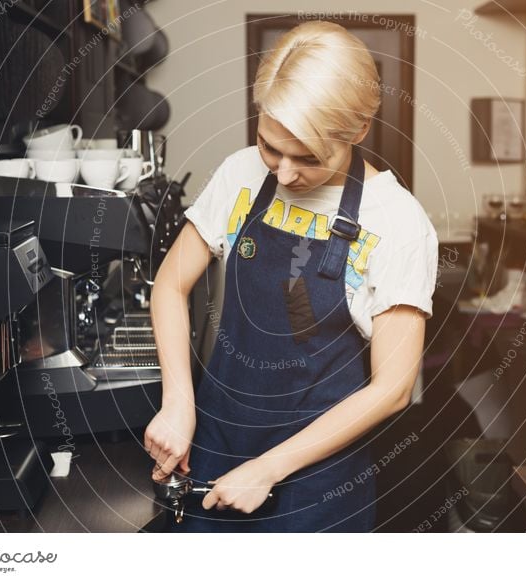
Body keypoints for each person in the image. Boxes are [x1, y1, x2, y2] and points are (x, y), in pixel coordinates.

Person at [144, 20, 438, 532]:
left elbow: (393, 387)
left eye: (306, 158)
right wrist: (176, 403)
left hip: (319, 488)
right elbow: (170, 285)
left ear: (360, 130)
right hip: (214, 450)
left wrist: (269, 468)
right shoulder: (239, 174)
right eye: (269, 146)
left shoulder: (398, 222)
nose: (281, 174)